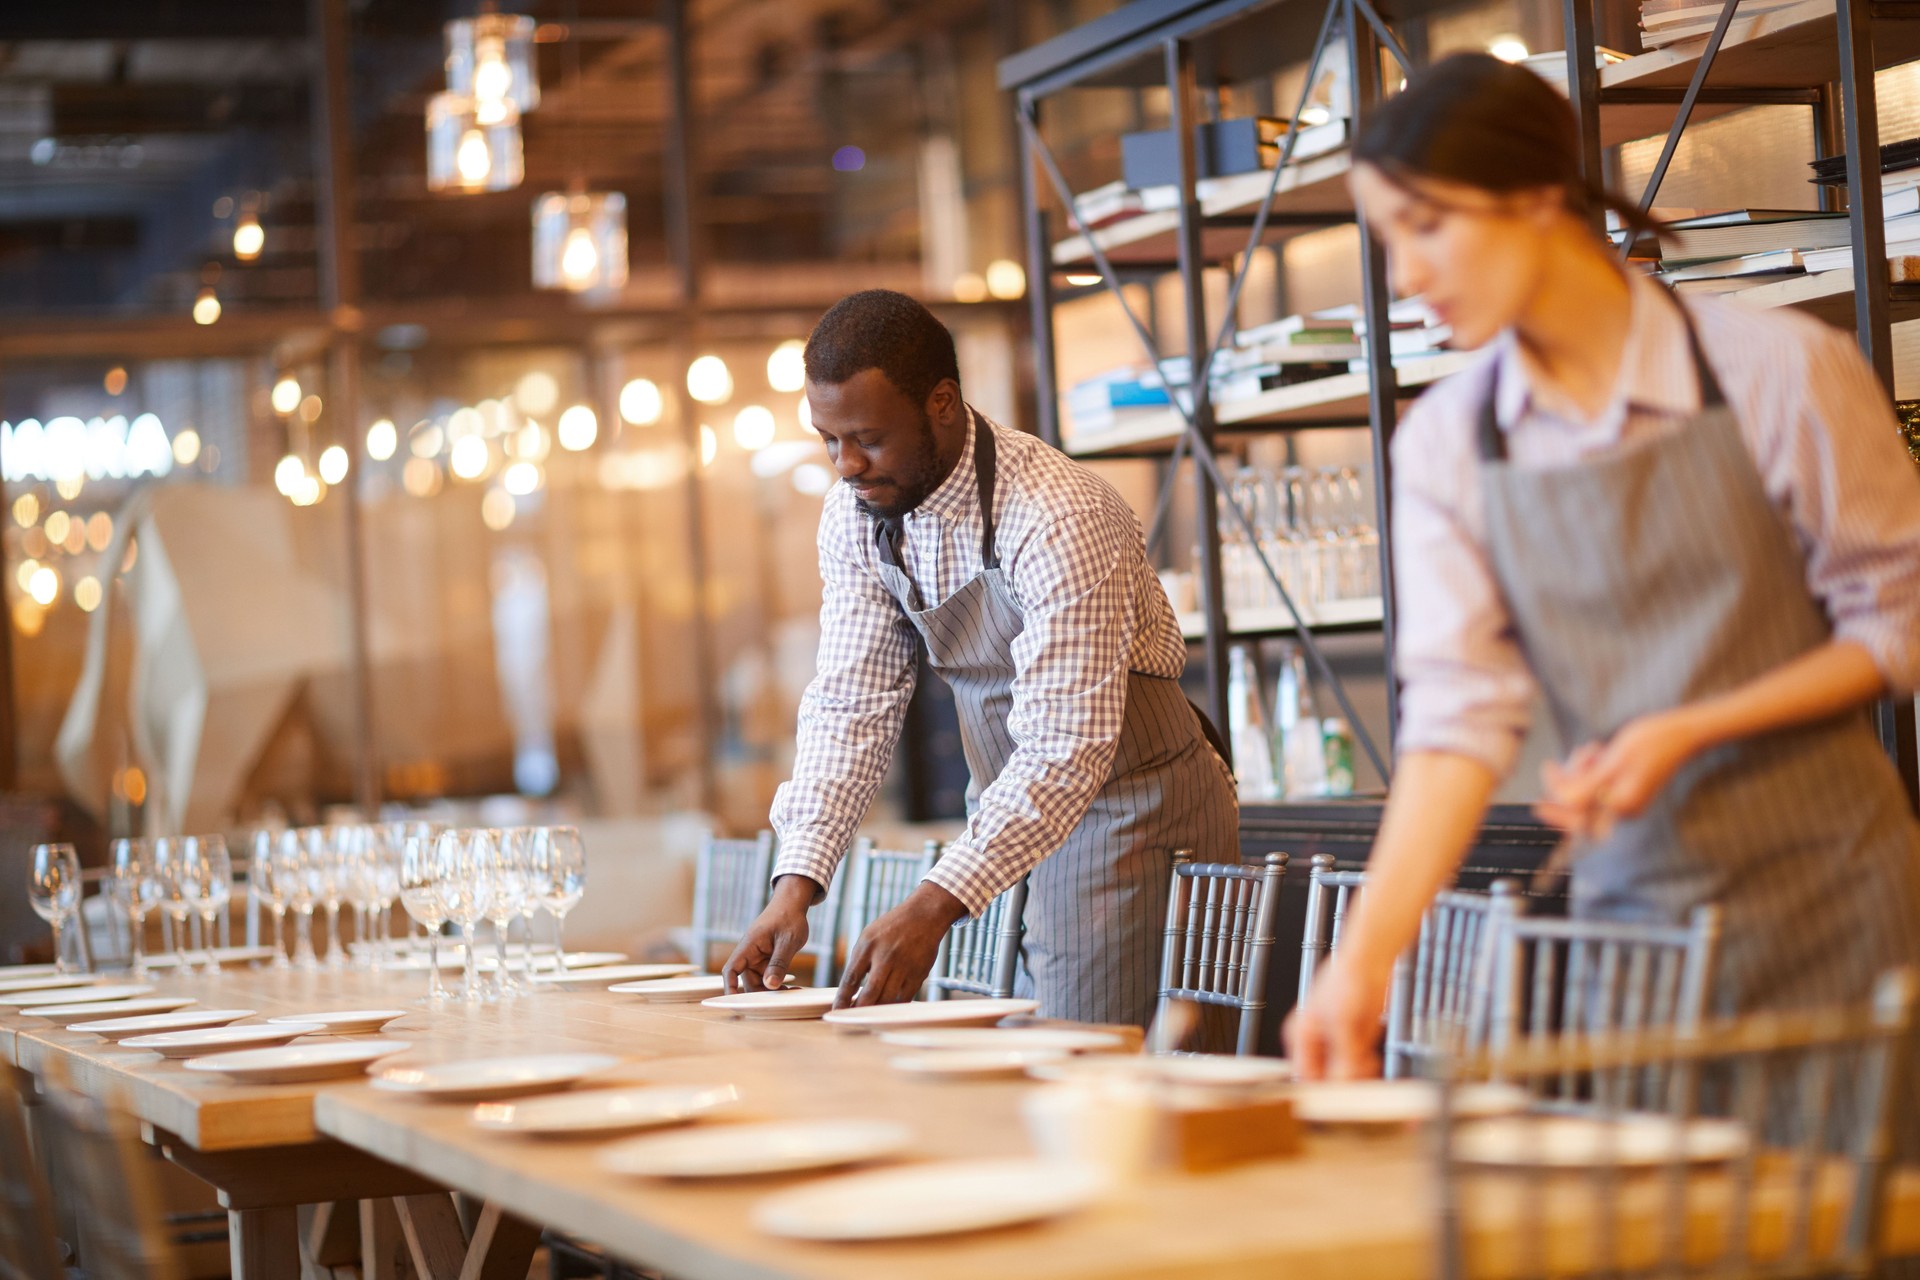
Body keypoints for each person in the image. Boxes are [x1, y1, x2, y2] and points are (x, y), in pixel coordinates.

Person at [1285, 53, 1920, 1123]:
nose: (1405, 276)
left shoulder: (1777, 368)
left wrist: (1686, 726)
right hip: (1632, 926)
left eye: (1426, 228)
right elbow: (1456, 721)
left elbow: (1899, 613)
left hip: (1839, 908)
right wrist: (1361, 961)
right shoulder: (1448, 442)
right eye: (1387, 241)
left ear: (1538, 198)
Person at [722, 289, 1239, 1027]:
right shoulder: (860, 514)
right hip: (1004, 803)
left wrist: (934, 904)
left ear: (941, 404)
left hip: (1127, 803)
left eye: (867, 436)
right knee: (990, 1054)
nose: (846, 464)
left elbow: (1065, 746)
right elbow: (851, 702)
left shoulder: (1059, 513)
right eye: (829, 438)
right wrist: (796, 883)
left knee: (1077, 1065)